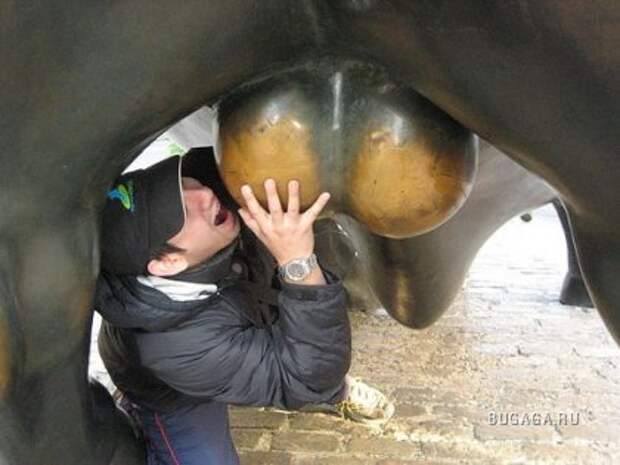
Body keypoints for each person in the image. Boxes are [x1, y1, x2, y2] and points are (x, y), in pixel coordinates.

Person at [96, 148, 393, 465]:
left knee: (304, 353)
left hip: (241, 312)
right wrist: (297, 262)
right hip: (176, 391)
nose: (204, 194)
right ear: (169, 262)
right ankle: (139, 420)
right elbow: (308, 377)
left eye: (183, 183)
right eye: (182, 211)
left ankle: (334, 393)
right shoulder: (174, 348)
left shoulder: (215, 201)